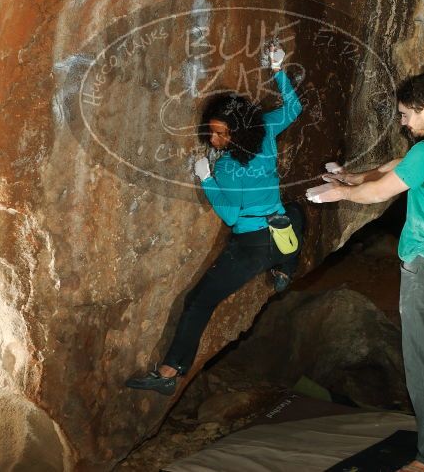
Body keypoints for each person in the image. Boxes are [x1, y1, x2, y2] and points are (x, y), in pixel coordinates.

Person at [306, 74, 424, 472]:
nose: (403, 123)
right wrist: (354, 175)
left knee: (423, 366)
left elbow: (384, 191)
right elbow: (400, 167)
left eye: (405, 115)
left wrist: (343, 193)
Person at [126, 44, 304, 396]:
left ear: (238, 131)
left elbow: (230, 214)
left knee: (198, 302)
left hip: (252, 245)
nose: (214, 138)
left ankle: (168, 373)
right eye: (213, 130)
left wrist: (207, 178)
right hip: (282, 229)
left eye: (222, 133)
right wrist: (278, 70)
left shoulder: (226, 166)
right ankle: (286, 268)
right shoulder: (266, 131)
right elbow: (293, 109)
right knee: (298, 210)